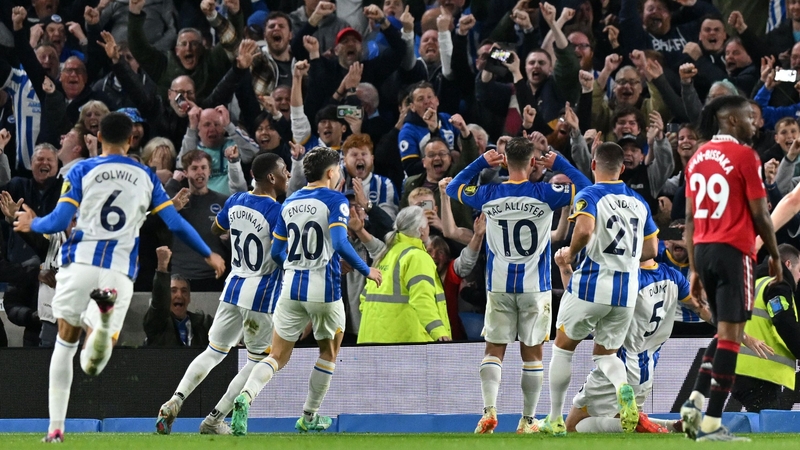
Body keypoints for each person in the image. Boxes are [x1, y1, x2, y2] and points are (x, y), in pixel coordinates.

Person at [12, 112, 225, 443]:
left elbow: (57, 221)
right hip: (118, 270)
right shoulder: (145, 176)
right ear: (130, 140)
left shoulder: (81, 169)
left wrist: (31, 223)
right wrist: (207, 253)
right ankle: (100, 328)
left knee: (64, 344)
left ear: (98, 137)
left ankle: (55, 428)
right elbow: (175, 223)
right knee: (95, 363)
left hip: (78, 263)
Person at [229, 147, 382, 435]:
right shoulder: (335, 199)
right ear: (330, 173)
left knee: (276, 355)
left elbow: (276, 251)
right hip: (324, 292)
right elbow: (338, 241)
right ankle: (309, 416)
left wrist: (294, 265)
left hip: (291, 290)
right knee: (328, 352)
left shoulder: (289, 202)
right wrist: (366, 269)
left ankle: (245, 397)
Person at [445, 136, 591, 434]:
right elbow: (587, 186)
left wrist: (481, 162)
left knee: (493, 349)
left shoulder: (489, 193)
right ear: (533, 162)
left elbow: (452, 187)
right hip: (534, 287)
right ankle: (526, 420)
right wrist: (559, 162)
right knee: (532, 353)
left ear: (505, 160)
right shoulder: (547, 192)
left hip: (498, 285)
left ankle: (488, 412)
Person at [156, 153, 289, 435]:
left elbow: (217, 227)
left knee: (213, 352)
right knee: (255, 361)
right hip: (261, 293)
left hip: (233, 287)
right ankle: (214, 420)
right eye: (285, 171)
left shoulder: (236, 200)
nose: (288, 176)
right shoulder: (277, 212)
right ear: (272, 178)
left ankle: (174, 400)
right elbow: (281, 253)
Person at [680, 95, 782, 442]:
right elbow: (761, 215)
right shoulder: (744, 156)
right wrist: (775, 256)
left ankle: (694, 402)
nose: (756, 124)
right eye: (751, 118)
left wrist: (693, 269)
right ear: (733, 121)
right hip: (733, 251)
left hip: (704, 251)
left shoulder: (696, 157)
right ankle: (710, 423)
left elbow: (691, 219)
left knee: (725, 333)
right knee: (733, 338)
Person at [545, 142, 659, 436]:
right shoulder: (638, 201)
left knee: (562, 348)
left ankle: (555, 417)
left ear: (593, 165)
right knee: (606, 355)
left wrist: (569, 254)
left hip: (593, 284)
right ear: (622, 168)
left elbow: (583, 230)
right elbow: (652, 248)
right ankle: (623, 388)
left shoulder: (590, 194)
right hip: (626, 293)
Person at [559, 253, 707, 434]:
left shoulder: (625, 281)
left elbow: (582, 305)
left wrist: (564, 268)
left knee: (573, 425)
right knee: (620, 421)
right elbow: (701, 310)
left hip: (617, 366)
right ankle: (671, 426)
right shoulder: (673, 276)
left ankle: (640, 422)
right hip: (646, 369)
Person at [357, 205, 452, 344]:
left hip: (371, 338)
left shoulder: (386, 254)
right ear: (421, 231)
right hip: (405, 340)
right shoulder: (417, 257)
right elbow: (422, 299)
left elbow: (364, 299)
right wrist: (439, 332)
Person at [732, 244, 800, 412]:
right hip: (758, 371)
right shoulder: (777, 285)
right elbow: (783, 319)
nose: (799, 276)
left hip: (740, 367)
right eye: (799, 270)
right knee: (770, 425)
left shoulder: (753, 283)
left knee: (760, 421)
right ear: (788, 265)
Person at [143, 246, 213, 348]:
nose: (179, 295)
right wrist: (162, 267)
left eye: (184, 291)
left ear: (189, 298)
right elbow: (159, 304)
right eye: (173, 291)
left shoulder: (204, 324)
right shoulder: (157, 324)